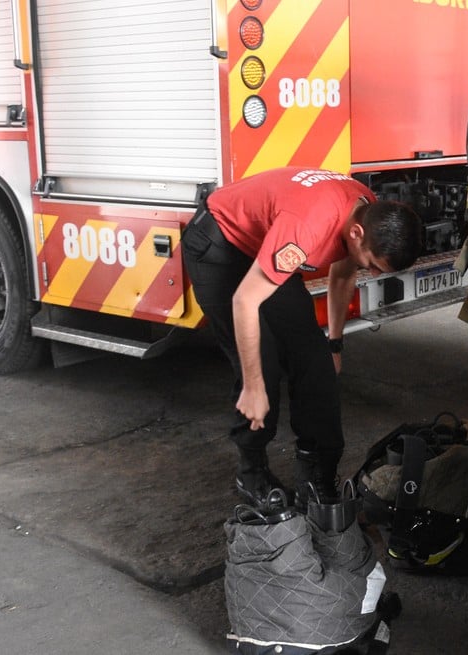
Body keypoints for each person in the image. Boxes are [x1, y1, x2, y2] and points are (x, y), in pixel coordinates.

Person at [181, 167, 423, 502]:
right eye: (373, 264)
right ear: (356, 233)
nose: (373, 272)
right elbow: (245, 301)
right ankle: (251, 475)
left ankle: (316, 473)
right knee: (262, 367)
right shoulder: (308, 226)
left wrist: (335, 344)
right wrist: (253, 387)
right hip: (219, 245)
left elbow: (341, 277)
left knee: (315, 359)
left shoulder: (367, 209)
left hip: (264, 243)